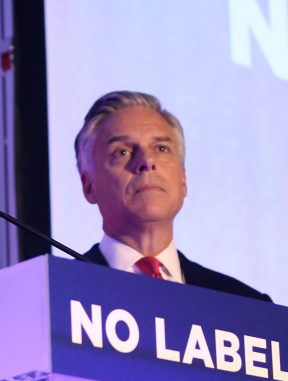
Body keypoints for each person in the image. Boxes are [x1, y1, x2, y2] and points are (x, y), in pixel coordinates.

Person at [75, 90, 271, 301]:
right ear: (89, 186)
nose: (147, 162)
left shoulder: (247, 306)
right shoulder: (60, 293)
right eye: (122, 152)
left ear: (183, 179)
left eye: (161, 148)